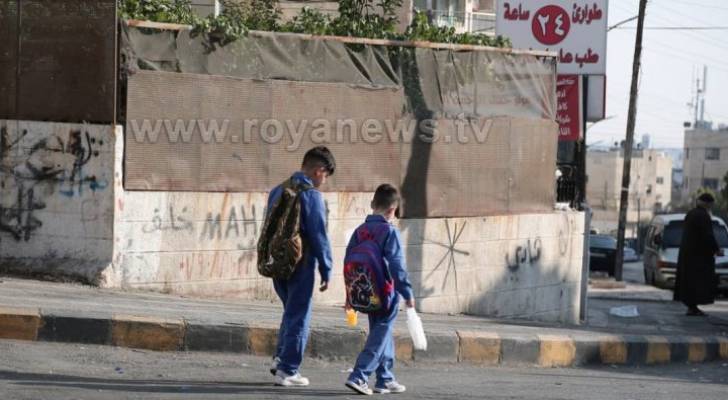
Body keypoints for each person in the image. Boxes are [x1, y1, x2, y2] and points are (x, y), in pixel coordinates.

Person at [267, 146, 335, 386]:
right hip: (301, 264)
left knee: (290, 312)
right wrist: (326, 268)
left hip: (278, 263)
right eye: (326, 176)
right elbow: (318, 235)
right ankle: (288, 369)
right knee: (299, 316)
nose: (324, 182)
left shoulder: (278, 189)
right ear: (319, 171)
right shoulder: (312, 195)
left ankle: (279, 358)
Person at [345, 184, 414, 395]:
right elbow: (397, 266)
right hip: (386, 294)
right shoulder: (389, 232)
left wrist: (350, 296)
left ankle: (385, 378)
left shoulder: (360, 231)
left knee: (381, 332)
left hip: (365, 293)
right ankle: (360, 375)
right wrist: (407, 293)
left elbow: (348, 264)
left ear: (373, 204)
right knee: (380, 334)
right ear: (392, 210)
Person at [674, 192, 725, 316]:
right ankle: (693, 307)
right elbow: (708, 235)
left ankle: (692, 307)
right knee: (699, 282)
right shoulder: (703, 216)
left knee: (690, 282)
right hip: (699, 257)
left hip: (688, 254)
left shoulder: (691, 214)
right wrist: (716, 249)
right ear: (708, 204)